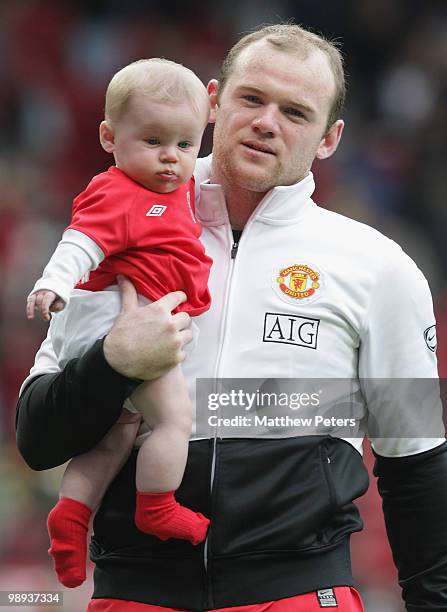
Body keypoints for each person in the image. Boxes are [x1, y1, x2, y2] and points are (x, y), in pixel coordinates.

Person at [16, 23, 447, 612]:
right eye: (252, 99)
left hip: (298, 594)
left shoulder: (380, 267)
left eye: (296, 111)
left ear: (329, 138)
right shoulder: (116, 222)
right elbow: (38, 437)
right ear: (214, 101)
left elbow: (417, 463)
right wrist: (113, 363)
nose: (268, 122)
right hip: (136, 594)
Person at [25, 58, 212, 589]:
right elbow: (81, 241)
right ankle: (157, 505)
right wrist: (53, 284)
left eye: (186, 144)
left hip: (114, 316)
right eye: (153, 140)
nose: (171, 158)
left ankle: (71, 515)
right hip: (114, 316)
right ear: (109, 137)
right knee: (174, 420)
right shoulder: (121, 192)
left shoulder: (172, 186)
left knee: (117, 433)